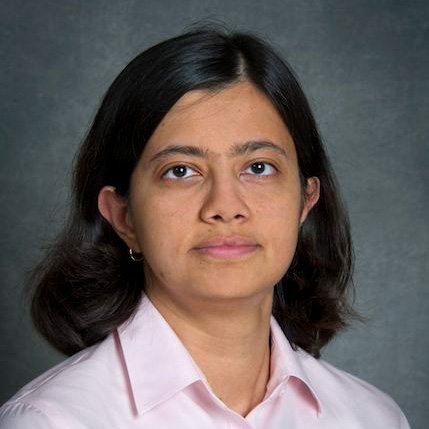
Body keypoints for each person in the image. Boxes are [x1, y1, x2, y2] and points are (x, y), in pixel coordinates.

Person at [0, 26, 411, 428]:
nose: (225, 207)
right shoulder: (52, 421)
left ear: (305, 200)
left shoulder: (374, 417)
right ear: (123, 215)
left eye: (258, 167)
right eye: (181, 171)